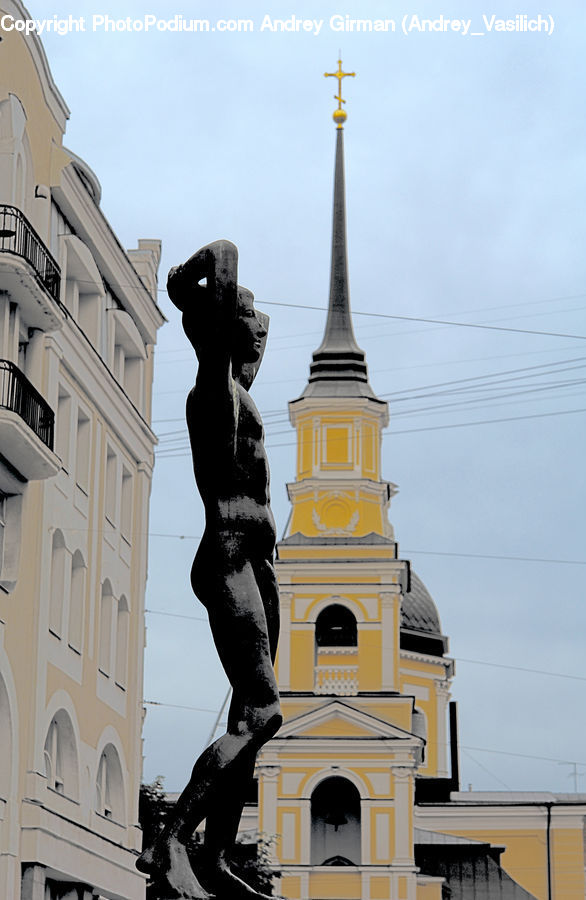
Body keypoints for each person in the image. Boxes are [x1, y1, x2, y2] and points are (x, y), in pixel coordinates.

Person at [136, 241, 283, 900]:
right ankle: (170, 837)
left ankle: (216, 856)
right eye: (251, 329)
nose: (261, 339)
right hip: (226, 554)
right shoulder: (213, 390)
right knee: (265, 713)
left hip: (256, 560)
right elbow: (221, 257)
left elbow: (251, 331)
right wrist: (196, 276)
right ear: (226, 331)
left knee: (248, 725)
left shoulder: (243, 399)